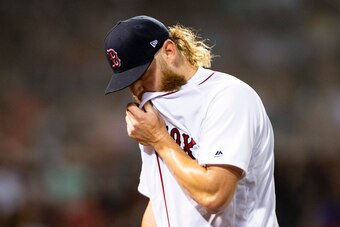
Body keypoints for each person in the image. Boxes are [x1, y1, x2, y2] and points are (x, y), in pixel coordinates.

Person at [103, 15, 279, 227]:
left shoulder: (228, 96)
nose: (139, 90)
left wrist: (159, 138)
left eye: (143, 75)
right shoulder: (153, 113)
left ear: (169, 51)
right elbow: (160, 203)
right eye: (130, 83)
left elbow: (214, 196)